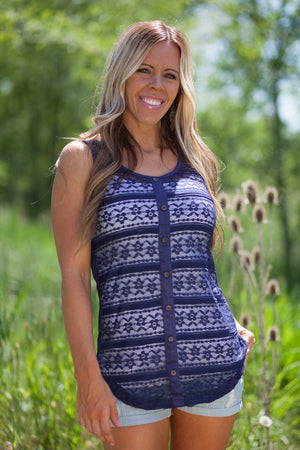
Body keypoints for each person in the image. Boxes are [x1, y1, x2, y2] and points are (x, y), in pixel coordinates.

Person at [51, 20, 255, 450]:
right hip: (128, 374)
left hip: (211, 362)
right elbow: (73, 277)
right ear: (121, 73)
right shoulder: (84, 159)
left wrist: (228, 320)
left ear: (181, 86)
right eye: (144, 69)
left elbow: (196, 260)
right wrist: (87, 377)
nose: (156, 85)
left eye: (170, 75)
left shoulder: (195, 158)